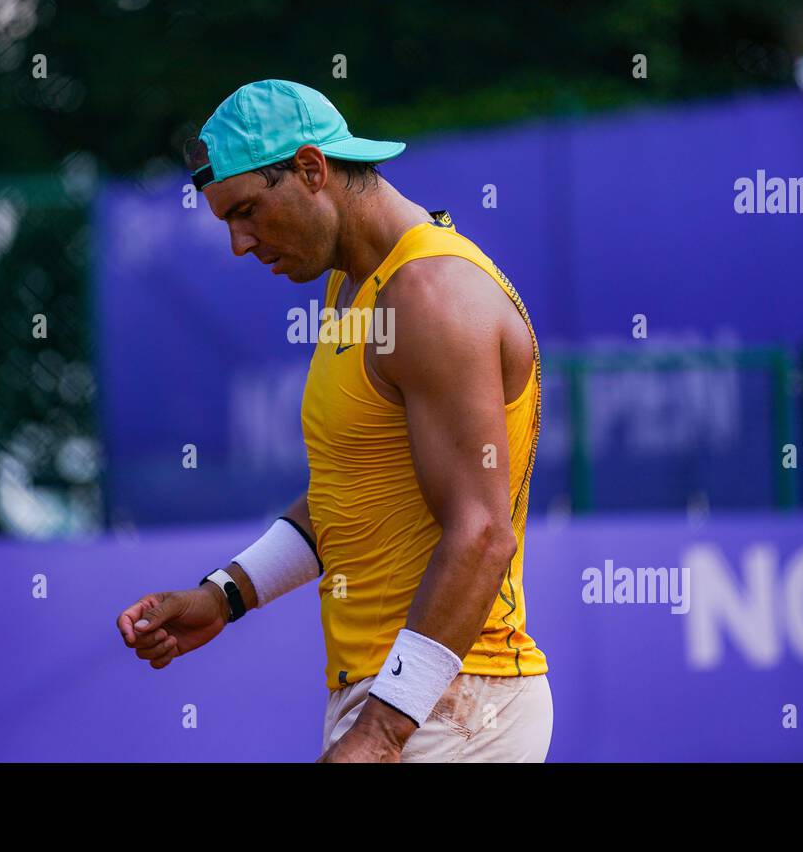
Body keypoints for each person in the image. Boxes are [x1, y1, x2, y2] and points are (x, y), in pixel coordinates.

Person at [117, 79, 551, 762]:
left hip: (458, 704)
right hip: (411, 699)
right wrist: (224, 595)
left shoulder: (431, 295)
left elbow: (483, 532)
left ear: (313, 169)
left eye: (248, 210)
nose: (238, 242)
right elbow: (351, 495)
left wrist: (381, 731)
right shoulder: (354, 288)